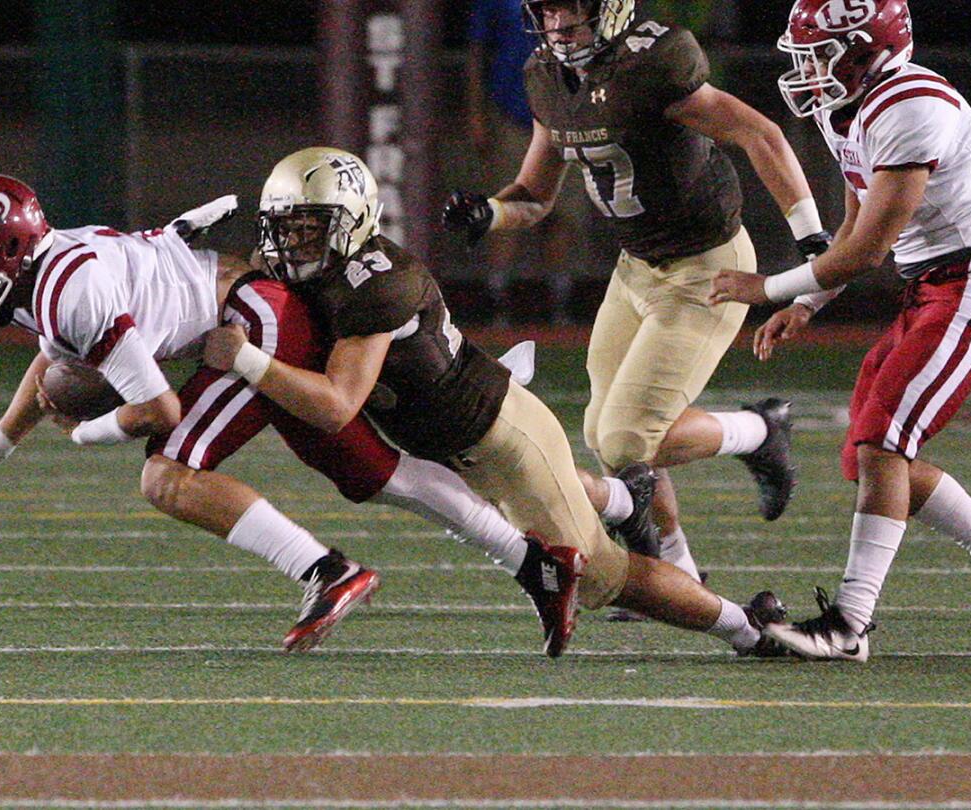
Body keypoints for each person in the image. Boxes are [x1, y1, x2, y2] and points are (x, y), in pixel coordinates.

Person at [0, 173, 587, 656]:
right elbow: (49, 362)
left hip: (252, 322)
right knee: (370, 474)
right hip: (257, 313)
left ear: (6, 251)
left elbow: (158, 407)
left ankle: (328, 572)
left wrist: (86, 432)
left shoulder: (71, 289)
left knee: (168, 475)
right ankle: (536, 563)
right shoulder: (46, 275)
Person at [204, 147, 789, 657]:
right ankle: (620, 499)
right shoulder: (329, 268)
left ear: (350, 222)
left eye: (307, 227)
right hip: (464, 444)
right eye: (282, 227)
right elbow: (246, 270)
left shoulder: (379, 285)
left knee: (605, 578)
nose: (290, 243)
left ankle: (749, 627)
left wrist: (248, 360)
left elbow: (336, 407)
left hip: (498, 438)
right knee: (555, 495)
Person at [442, 0, 830, 589]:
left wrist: (812, 241)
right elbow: (535, 195)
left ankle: (758, 432)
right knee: (604, 434)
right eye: (545, 13)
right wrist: (488, 213)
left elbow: (762, 135)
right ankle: (676, 572)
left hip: (706, 265)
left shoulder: (652, 63)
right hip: (636, 269)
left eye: (569, 12)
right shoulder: (547, 75)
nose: (555, 27)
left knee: (627, 436)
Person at [709, 0, 971, 661]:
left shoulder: (911, 105)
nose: (806, 69)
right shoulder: (856, 108)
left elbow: (868, 250)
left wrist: (767, 288)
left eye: (820, 54)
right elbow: (856, 230)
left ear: (866, 50)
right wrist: (809, 304)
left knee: (883, 443)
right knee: (867, 457)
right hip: (932, 285)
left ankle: (848, 626)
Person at [465, 0, 585, 325]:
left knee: (564, 214)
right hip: (513, 113)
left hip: (567, 117)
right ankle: (497, 300)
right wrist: (477, 111)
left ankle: (559, 300)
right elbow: (477, 51)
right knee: (507, 207)